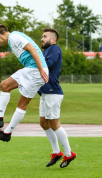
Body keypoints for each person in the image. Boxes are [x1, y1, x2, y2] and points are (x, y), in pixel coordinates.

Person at [0, 24, 49, 142]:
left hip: (35, 71)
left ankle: (7, 133)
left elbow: (32, 48)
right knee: (4, 85)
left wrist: (41, 68)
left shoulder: (14, 37)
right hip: (31, 70)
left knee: (21, 104)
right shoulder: (14, 37)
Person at [39, 28, 76, 168]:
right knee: (43, 123)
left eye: (44, 36)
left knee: (54, 124)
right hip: (45, 92)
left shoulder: (55, 48)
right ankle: (57, 152)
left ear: (53, 39)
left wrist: (34, 63)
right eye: (42, 36)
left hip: (52, 92)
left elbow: (48, 65)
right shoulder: (44, 51)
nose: (42, 39)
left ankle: (68, 153)